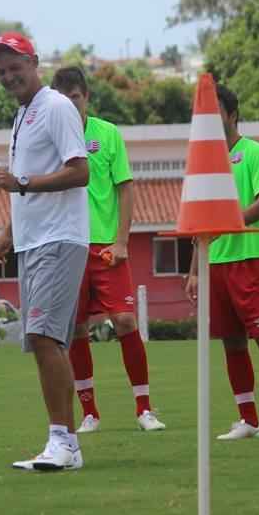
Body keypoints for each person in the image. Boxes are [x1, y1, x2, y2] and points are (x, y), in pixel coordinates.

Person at [0, 32, 90, 471]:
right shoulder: (23, 115)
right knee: (45, 340)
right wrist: (8, 232)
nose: (9, 77)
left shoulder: (57, 107)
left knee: (46, 337)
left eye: (15, 67)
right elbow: (26, 180)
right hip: (32, 242)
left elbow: (79, 171)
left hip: (59, 238)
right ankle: (64, 443)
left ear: (35, 62)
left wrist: (19, 183)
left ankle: (63, 443)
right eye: (2, 71)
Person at [184, 84, 259, 441]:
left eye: (214, 113)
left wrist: (229, 222)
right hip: (216, 265)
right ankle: (249, 421)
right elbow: (199, 224)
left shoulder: (255, 153)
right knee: (232, 343)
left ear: (232, 114)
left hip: (251, 261)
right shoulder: (204, 163)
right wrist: (193, 271)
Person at [50, 66, 165, 434]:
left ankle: (144, 408)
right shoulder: (51, 139)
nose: (70, 105)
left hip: (105, 247)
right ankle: (90, 413)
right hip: (69, 245)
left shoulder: (107, 134)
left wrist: (121, 241)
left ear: (87, 98)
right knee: (77, 328)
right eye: (63, 99)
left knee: (126, 321)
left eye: (76, 97)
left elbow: (125, 188)